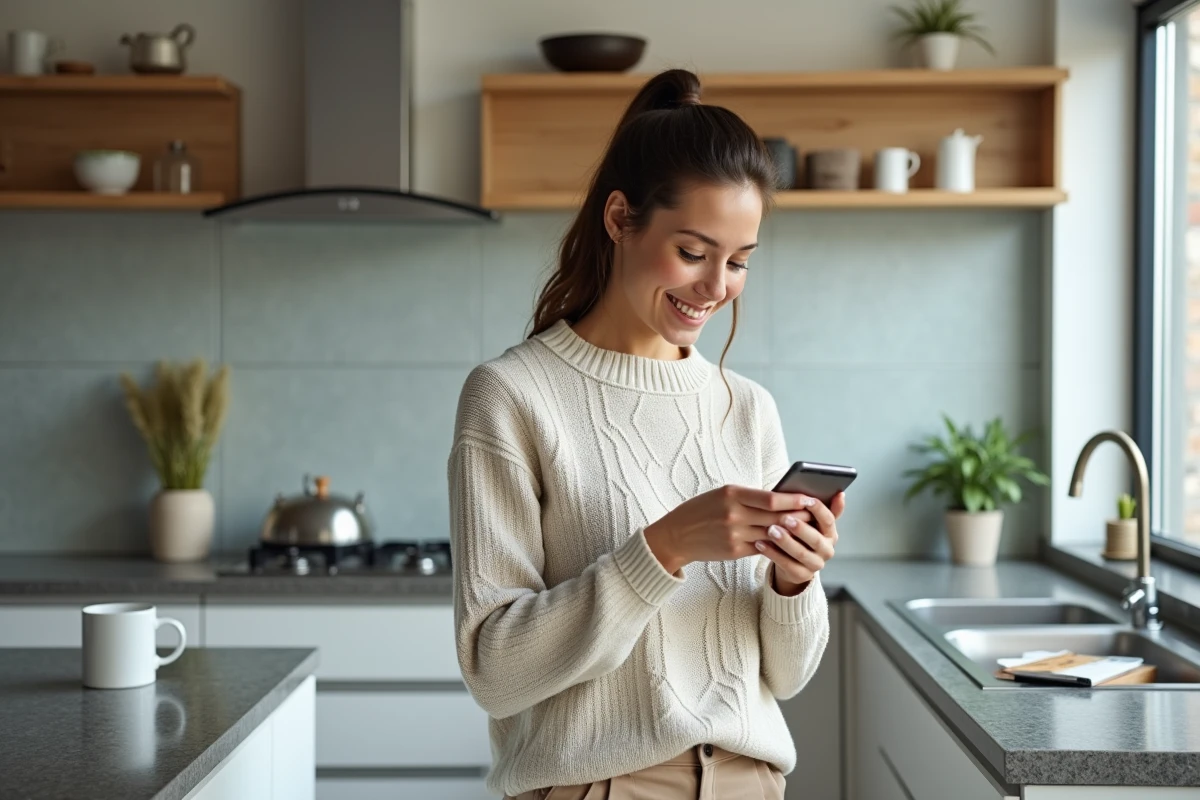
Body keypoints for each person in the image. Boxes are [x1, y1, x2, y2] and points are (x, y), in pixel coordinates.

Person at [448, 67, 845, 800]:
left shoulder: (747, 408)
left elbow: (788, 675)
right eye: (693, 252)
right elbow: (495, 673)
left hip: (749, 782)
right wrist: (663, 549)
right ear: (619, 218)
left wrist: (796, 579)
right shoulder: (511, 396)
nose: (716, 286)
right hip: (598, 787)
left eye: (739, 261)